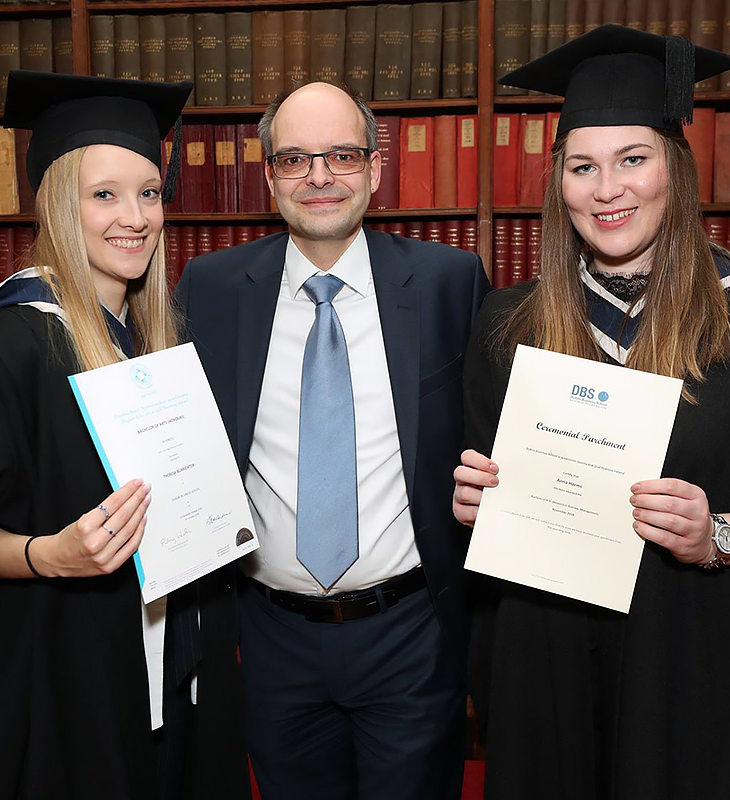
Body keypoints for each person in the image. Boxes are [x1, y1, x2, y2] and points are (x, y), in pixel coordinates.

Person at [451, 26, 730, 800]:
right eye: (583, 166)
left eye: (632, 159)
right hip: (547, 670)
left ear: (675, 169)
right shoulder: (507, 325)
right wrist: (477, 500)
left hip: (699, 674)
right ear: (560, 185)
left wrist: (716, 535)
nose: (607, 189)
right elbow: (490, 490)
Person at [0, 71, 250, 800]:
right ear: (58, 204)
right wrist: (49, 555)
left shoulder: (155, 348)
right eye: (104, 195)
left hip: (171, 683)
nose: (135, 217)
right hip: (66, 694)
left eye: (149, 193)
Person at [174, 81, 490, 799]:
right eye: (295, 159)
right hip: (271, 637)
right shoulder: (212, 288)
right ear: (269, 176)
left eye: (342, 155)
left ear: (376, 167)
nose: (319, 177)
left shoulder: (449, 282)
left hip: (411, 633)